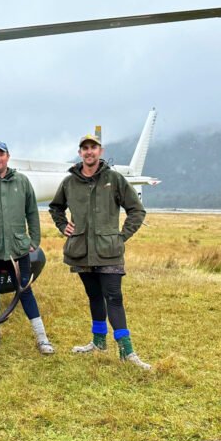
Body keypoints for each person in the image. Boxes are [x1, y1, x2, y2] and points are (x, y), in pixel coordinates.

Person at [48, 133, 151, 370]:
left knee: (113, 297)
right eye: (85, 148)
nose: (89, 152)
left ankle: (127, 351)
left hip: (109, 251)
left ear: (100, 151)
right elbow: (56, 208)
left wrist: (121, 236)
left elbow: (137, 210)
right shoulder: (69, 182)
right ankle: (98, 342)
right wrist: (64, 226)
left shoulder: (113, 179)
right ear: (80, 152)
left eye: (93, 148)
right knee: (94, 296)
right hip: (81, 250)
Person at [0, 141, 54, 354]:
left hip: (17, 250)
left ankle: (42, 338)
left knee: (25, 290)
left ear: (8, 156)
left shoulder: (22, 181)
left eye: (1, 154)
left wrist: (34, 241)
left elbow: (32, 213)